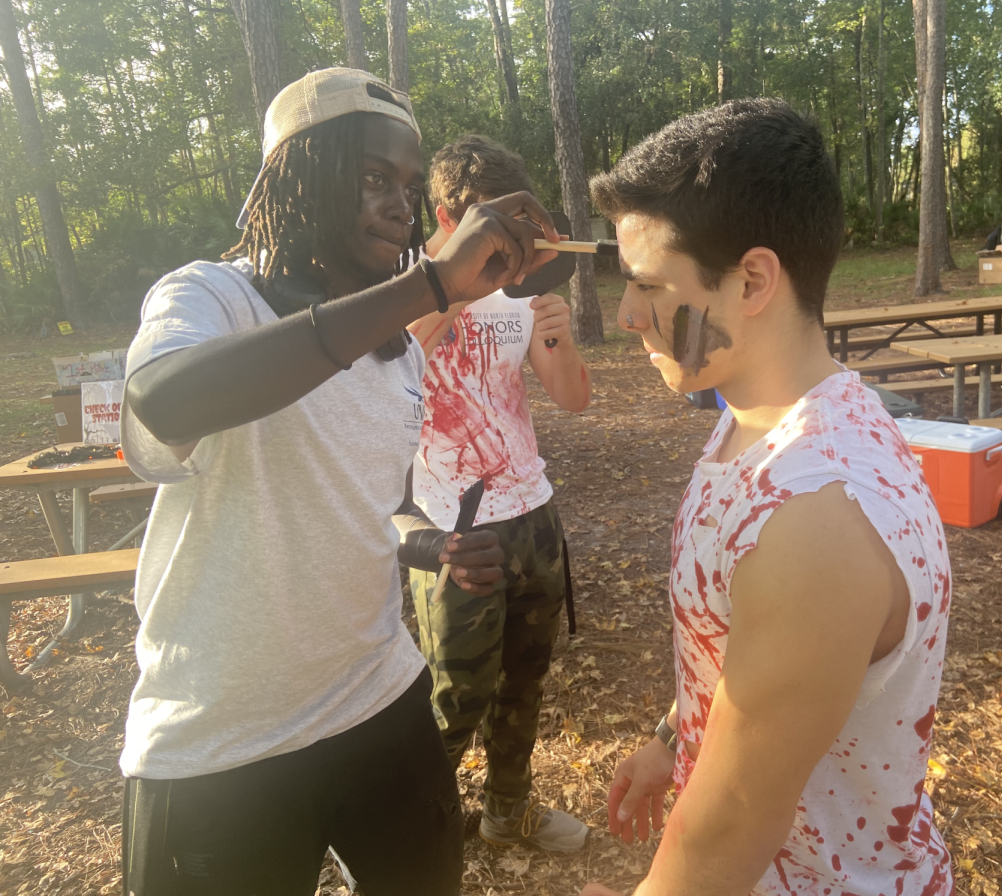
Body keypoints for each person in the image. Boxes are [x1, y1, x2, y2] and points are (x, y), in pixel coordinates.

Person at [117, 68, 561, 896]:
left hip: (376, 699)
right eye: (369, 178)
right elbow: (165, 397)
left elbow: (378, 508)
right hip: (223, 737)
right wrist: (429, 284)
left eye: (405, 182)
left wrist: (434, 546)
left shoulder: (397, 355)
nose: (398, 203)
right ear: (296, 173)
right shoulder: (211, 296)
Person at [580, 99, 954, 896]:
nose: (625, 316)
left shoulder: (814, 515)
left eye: (649, 285)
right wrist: (672, 737)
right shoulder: (756, 423)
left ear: (751, 280)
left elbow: (728, 831)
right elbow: (739, 651)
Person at [401, 134, 592, 852]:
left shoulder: (523, 291)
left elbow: (570, 398)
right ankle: (411, 832)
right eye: (495, 232)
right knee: (454, 698)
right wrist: (453, 293)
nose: (510, 250)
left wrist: (560, 338)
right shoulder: (402, 285)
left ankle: (507, 810)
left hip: (533, 514)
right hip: (456, 525)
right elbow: (379, 380)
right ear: (450, 221)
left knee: (525, 683)